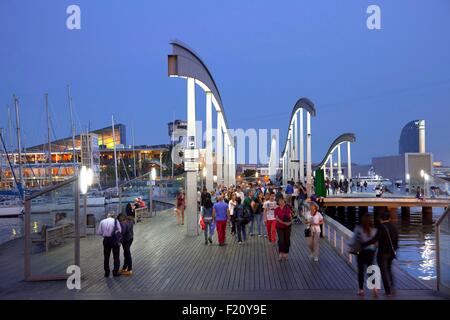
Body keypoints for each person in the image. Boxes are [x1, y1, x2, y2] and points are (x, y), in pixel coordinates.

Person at [361, 211, 399, 296]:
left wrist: (364, 244)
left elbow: (375, 239)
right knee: (389, 269)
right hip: (392, 253)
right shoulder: (394, 227)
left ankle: (388, 291)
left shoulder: (381, 227)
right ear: (389, 218)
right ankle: (392, 287)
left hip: (382, 253)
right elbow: (396, 241)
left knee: (384, 271)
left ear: (381, 219)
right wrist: (395, 250)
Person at [352, 213, 377, 296]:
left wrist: (350, 248)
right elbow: (376, 242)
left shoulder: (358, 228)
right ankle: (374, 287)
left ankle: (361, 290)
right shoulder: (374, 229)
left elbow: (353, 240)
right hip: (371, 252)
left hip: (361, 251)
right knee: (370, 269)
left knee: (361, 271)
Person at [97, 212, 122, 277]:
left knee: (106, 257)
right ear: (113, 216)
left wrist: (105, 235)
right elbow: (119, 230)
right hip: (114, 240)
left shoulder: (102, 221)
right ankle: (115, 272)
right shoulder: (116, 221)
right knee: (116, 256)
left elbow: (99, 232)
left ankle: (107, 272)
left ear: (107, 216)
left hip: (106, 240)